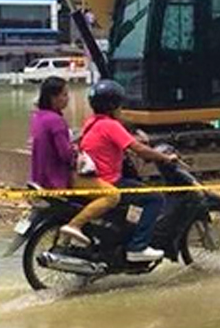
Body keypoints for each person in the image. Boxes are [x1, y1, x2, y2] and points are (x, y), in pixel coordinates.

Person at [63, 79, 177, 263]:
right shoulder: (111, 125)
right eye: (119, 104)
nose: (121, 108)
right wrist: (164, 157)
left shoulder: (92, 122)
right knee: (154, 198)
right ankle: (138, 247)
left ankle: (125, 235)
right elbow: (138, 149)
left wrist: (136, 136)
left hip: (93, 177)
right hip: (109, 181)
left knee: (137, 191)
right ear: (113, 105)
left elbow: (119, 137)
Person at [29, 77, 74, 190]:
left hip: (38, 178)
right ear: (53, 98)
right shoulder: (56, 121)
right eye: (64, 95)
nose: (67, 99)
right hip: (54, 181)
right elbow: (66, 155)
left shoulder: (38, 117)